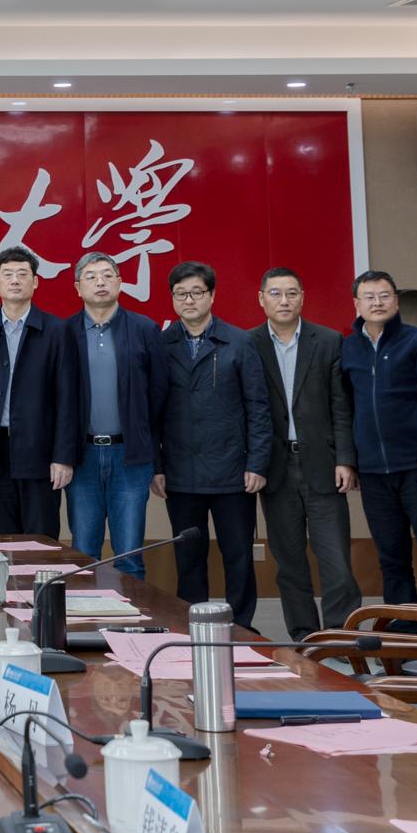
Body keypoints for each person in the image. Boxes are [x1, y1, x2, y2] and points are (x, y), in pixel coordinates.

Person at [153, 262, 270, 628]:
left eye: (196, 292)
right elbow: (151, 411)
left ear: (212, 295)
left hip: (232, 470)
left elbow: (258, 406)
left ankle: (242, 627)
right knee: (188, 557)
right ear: (172, 298)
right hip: (180, 471)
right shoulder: (161, 344)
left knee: (238, 555)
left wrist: (257, 463)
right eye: (181, 294)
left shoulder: (238, 342)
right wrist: (156, 465)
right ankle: (194, 627)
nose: (189, 300)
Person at [340, 269, 417, 631]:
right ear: (357, 303)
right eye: (369, 297)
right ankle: (404, 631)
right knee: (392, 558)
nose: (377, 303)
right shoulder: (348, 347)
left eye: (384, 295)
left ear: (396, 300)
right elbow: (346, 408)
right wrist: (351, 461)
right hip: (374, 473)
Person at [249, 267, 362, 642]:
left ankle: (340, 636)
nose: (284, 301)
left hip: (323, 465)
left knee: (336, 561)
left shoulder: (328, 341)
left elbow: (341, 406)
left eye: (292, 293)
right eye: (276, 293)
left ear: (302, 298)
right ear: (261, 298)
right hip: (276, 469)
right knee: (290, 562)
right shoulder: (249, 344)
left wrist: (345, 459)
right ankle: (305, 637)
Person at [61, 252, 167, 579]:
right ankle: (82, 613)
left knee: (130, 557)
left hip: (130, 457)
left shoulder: (144, 329)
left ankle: (132, 615)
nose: (101, 282)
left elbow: (159, 397)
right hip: (83, 457)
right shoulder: (64, 332)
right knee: (84, 555)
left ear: (120, 283)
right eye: (91, 277)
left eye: (108, 275)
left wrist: (156, 461)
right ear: (78, 287)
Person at [0, 247, 77, 539]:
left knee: (42, 541)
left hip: (40, 454)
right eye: (8, 274)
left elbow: (68, 399)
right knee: (0, 540)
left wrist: (63, 457)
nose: (15, 280)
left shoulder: (57, 330)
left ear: (35, 281)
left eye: (22, 274)